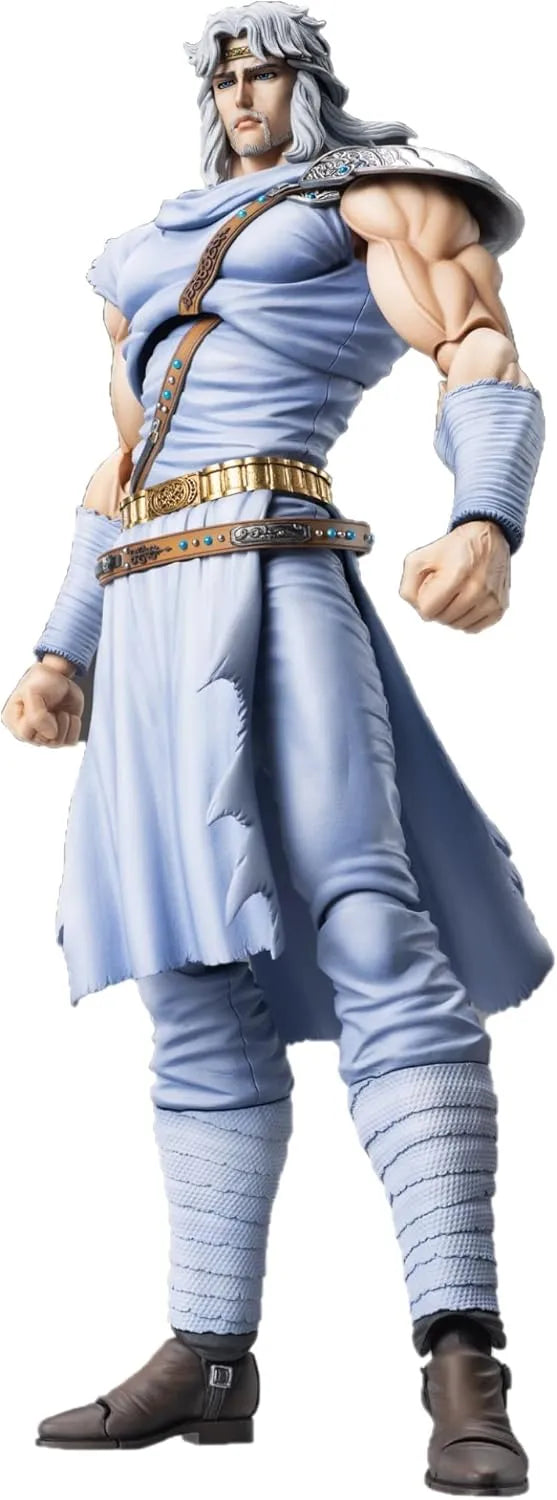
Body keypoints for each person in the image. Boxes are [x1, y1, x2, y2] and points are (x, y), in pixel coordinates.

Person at [1, 3, 553, 1490]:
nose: (244, 93)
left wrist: (487, 519)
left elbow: (479, 349)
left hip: (279, 571)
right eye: (227, 74)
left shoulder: (378, 197)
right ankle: (209, 1351)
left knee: (374, 931)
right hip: (145, 609)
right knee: (183, 973)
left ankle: (460, 1354)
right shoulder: (140, 251)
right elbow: (122, 463)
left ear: (311, 82)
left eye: (267, 70)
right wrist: (61, 645)